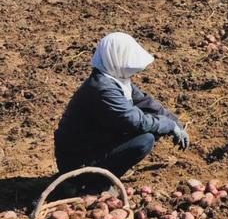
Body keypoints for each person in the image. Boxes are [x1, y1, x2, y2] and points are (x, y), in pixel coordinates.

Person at [54, 33, 188, 189]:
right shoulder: (102, 89)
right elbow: (135, 121)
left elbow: (145, 102)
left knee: (152, 128)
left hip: (93, 147)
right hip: (78, 163)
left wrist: (174, 122)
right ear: (116, 58)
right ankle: (93, 184)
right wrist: (168, 126)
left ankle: (99, 175)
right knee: (144, 140)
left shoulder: (115, 79)